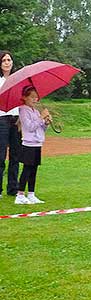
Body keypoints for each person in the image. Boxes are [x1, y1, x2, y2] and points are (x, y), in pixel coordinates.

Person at [14, 86, 51, 204]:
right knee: (27, 169)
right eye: (32, 97)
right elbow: (29, 127)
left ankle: (31, 193)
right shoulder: (23, 110)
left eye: (36, 97)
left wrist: (46, 122)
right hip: (29, 144)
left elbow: (40, 128)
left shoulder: (35, 111)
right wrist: (41, 117)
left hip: (37, 143)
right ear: (25, 98)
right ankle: (20, 194)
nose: (35, 99)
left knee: (34, 169)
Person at [0, 50, 21, 198]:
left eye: (9, 60)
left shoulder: (17, 80)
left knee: (15, 156)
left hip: (16, 119)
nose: (7, 62)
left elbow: (21, 100)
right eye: (4, 60)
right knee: (1, 156)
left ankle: (13, 188)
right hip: (1, 119)